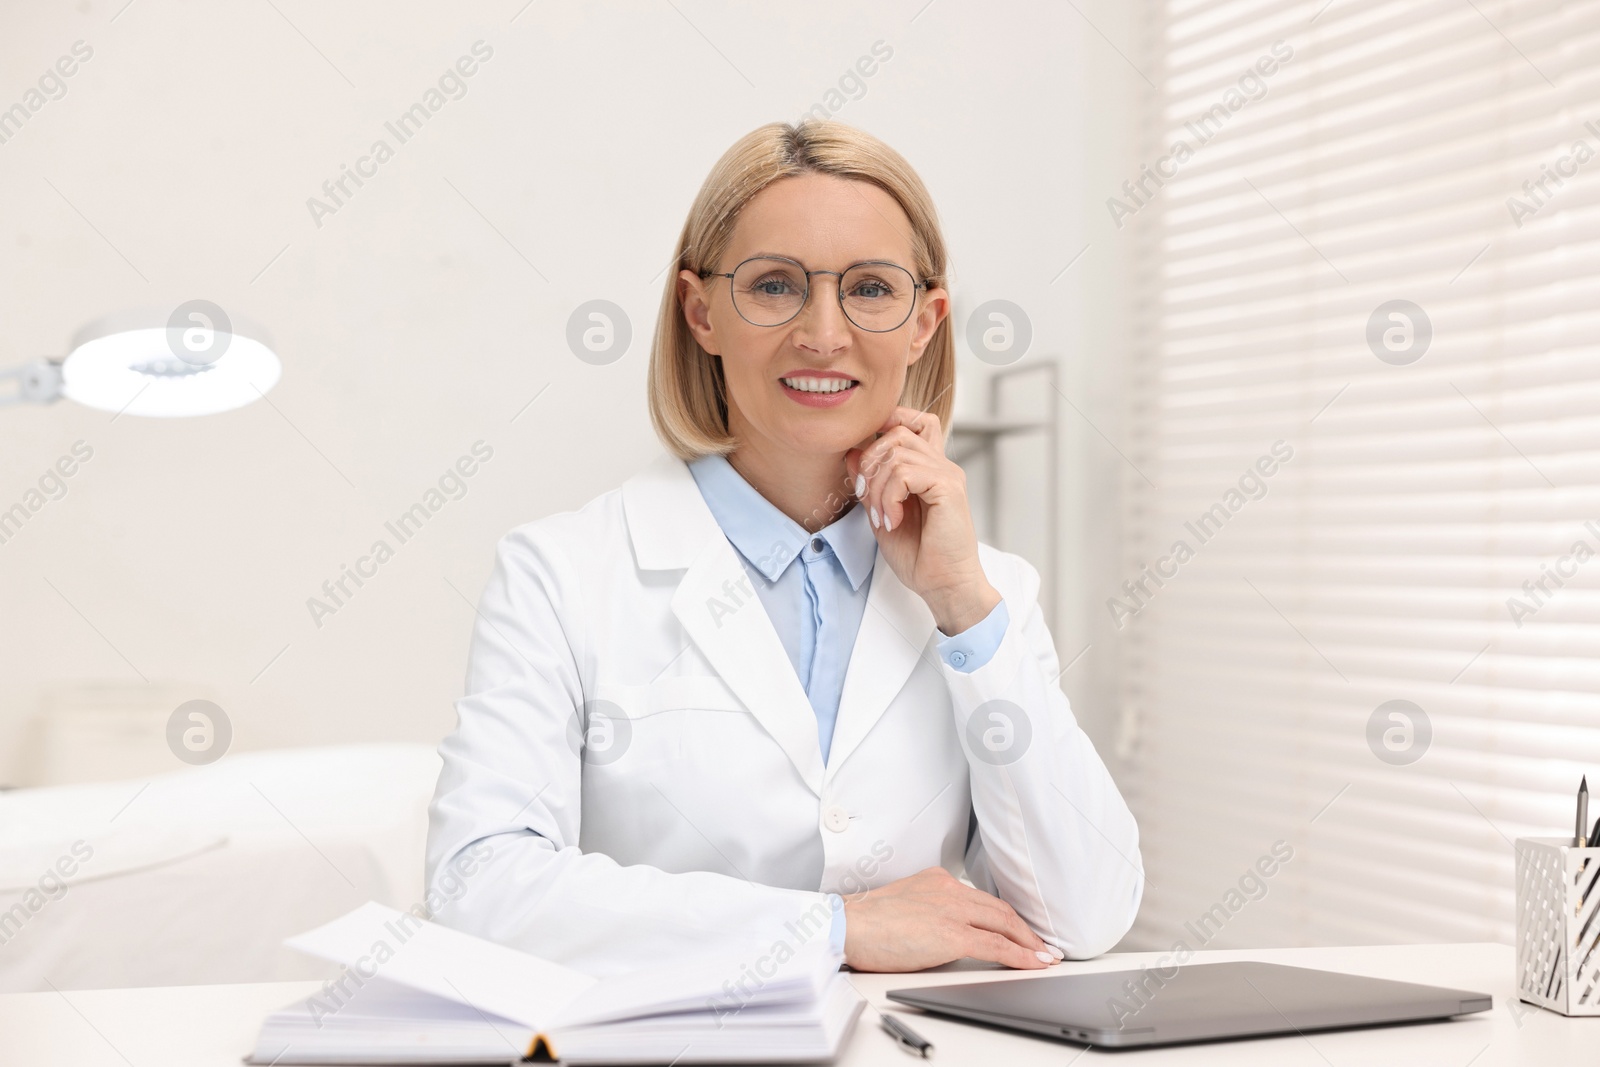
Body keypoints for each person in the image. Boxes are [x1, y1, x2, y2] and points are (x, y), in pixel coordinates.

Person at [425, 119, 1142, 978]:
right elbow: (480, 884)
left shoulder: (989, 597)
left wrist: (962, 605)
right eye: (774, 286)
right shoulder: (562, 574)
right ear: (701, 313)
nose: (824, 334)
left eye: (872, 289)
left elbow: (1088, 913)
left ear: (925, 322)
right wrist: (831, 932)